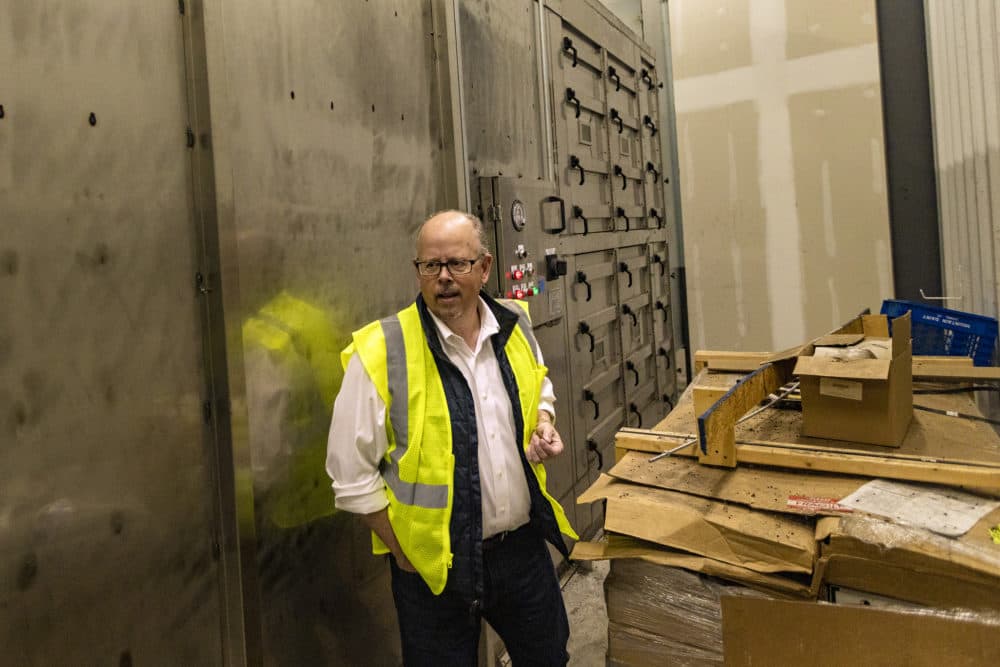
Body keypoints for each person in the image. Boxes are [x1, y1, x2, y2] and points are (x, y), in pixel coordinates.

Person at [326, 209, 578, 665]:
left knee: (548, 658)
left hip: (521, 552)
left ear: (483, 268)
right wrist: (404, 554)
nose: (443, 278)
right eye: (430, 266)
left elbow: (539, 385)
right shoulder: (383, 350)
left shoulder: (515, 325)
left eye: (457, 264)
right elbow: (350, 476)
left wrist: (543, 422)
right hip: (433, 568)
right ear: (418, 270)